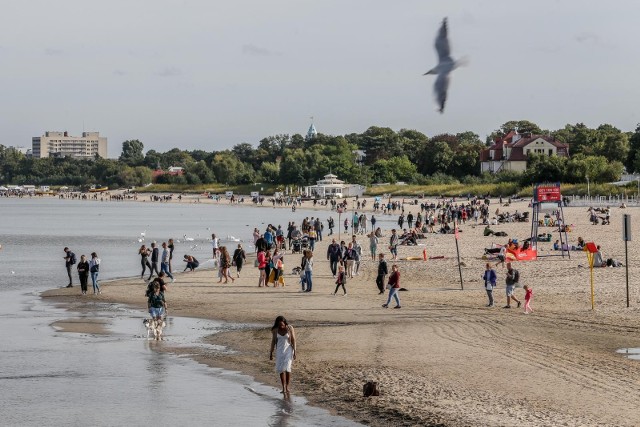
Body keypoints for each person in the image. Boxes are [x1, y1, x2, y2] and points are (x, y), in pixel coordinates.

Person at [269, 316, 297, 396]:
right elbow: (273, 341)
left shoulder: (290, 328)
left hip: (288, 350)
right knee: (281, 369)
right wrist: (271, 353)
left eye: (282, 325)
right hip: (279, 351)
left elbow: (293, 340)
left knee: (288, 368)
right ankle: (283, 387)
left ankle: (287, 386)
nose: (281, 326)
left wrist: (295, 351)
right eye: (279, 325)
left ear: (285, 323)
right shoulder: (275, 330)